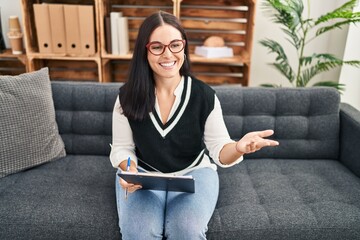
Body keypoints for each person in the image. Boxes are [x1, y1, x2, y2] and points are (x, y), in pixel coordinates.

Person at [109, 11, 279, 239]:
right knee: (138, 231)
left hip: (194, 173)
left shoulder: (204, 96)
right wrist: (128, 168)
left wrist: (238, 147)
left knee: (186, 229)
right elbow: (122, 148)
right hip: (144, 175)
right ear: (144, 51)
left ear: (184, 48)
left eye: (175, 45)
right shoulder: (126, 96)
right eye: (157, 47)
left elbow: (219, 150)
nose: (168, 54)